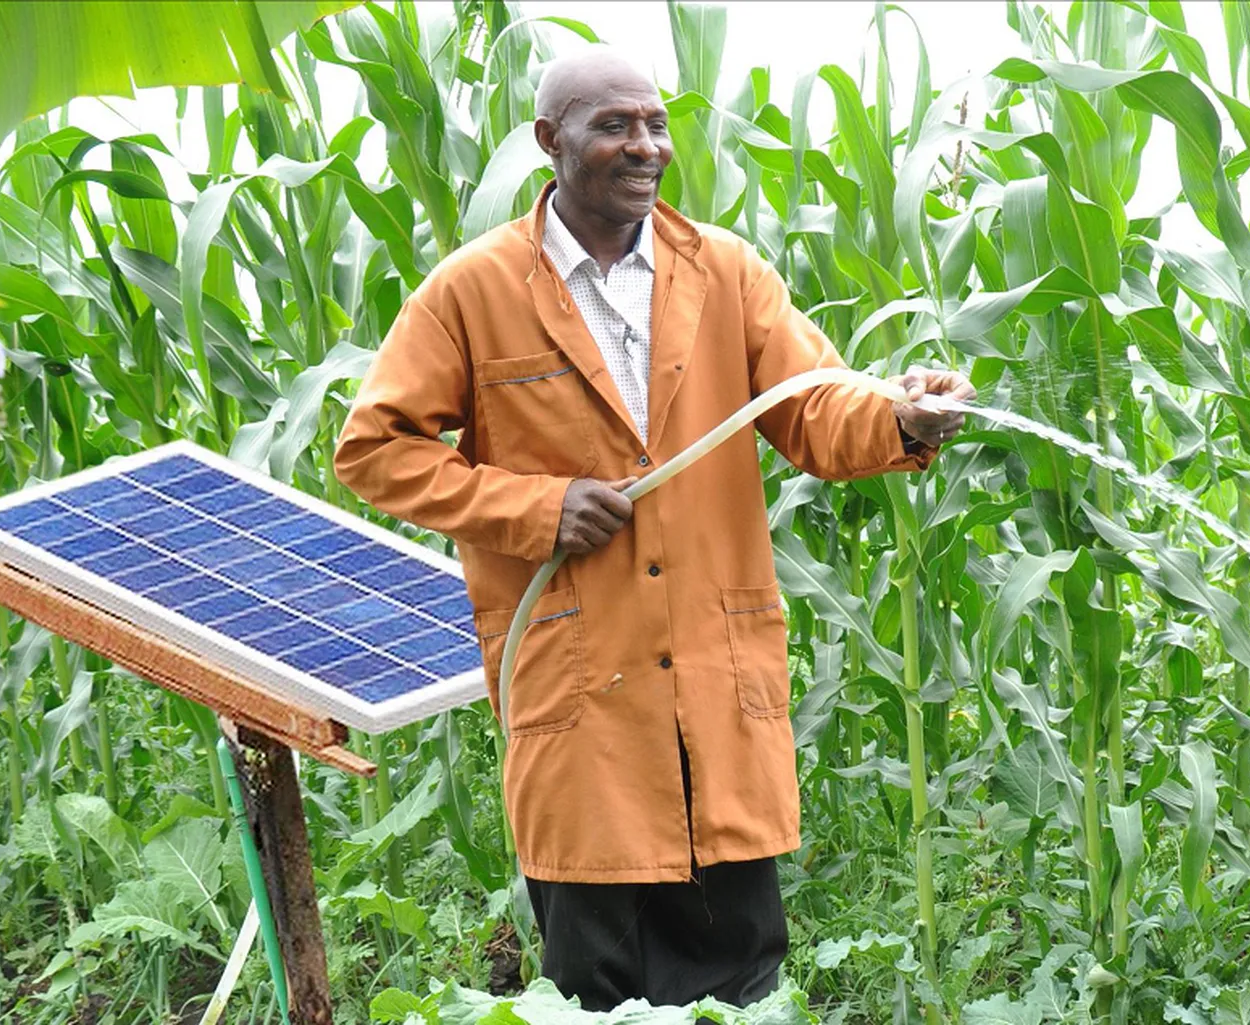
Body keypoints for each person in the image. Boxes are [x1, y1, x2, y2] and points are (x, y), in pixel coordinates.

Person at [333, 49, 975, 1011]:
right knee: (597, 982)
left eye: (655, 125)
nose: (646, 146)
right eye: (614, 127)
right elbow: (374, 449)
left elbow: (818, 409)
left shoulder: (724, 273)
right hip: (581, 697)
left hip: (715, 691)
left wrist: (905, 417)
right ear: (550, 142)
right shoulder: (472, 290)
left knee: (742, 975)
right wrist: (538, 507)